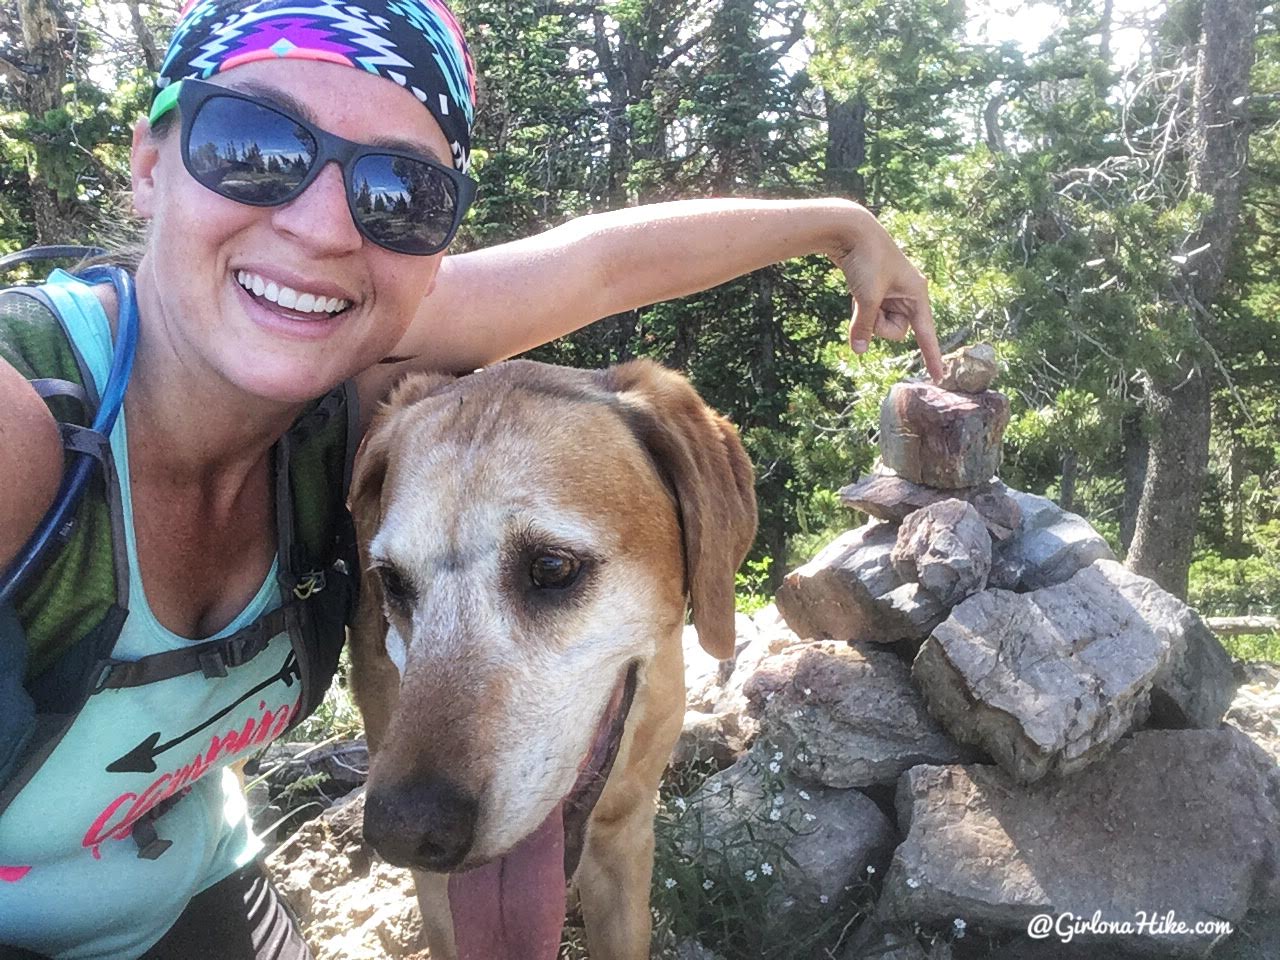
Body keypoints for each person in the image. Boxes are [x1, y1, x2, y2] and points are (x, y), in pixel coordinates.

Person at [0, 0, 940, 956]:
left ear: (431, 255)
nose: (323, 227)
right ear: (150, 166)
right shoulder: (23, 426)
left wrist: (843, 223)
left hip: (192, 880)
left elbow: (601, 268)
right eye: (250, 145)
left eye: (400, 192)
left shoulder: (365, 407)